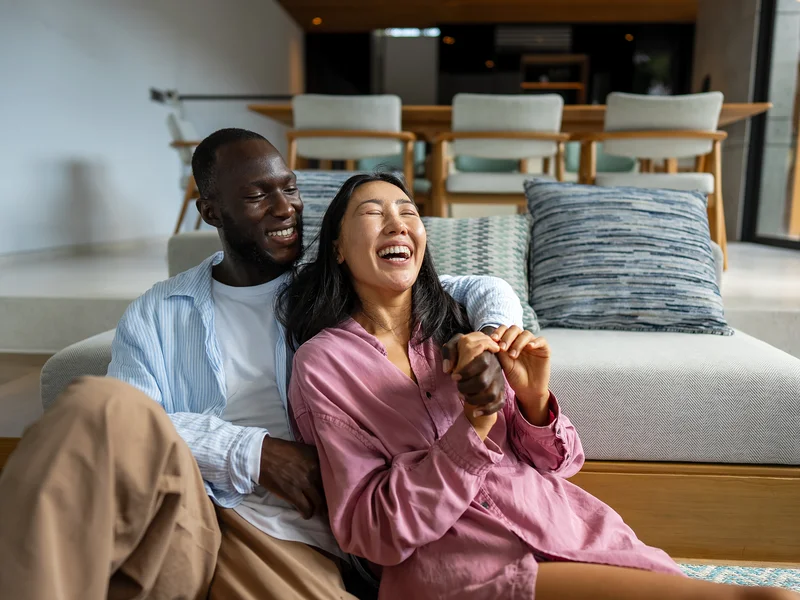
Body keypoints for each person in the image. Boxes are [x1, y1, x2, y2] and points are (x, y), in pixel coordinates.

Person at [0, 129, 526, 600]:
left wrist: (487, 343)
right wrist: (254, 453)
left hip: (296, 527)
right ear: (210, 210)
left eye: (289, 189)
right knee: (96, 403)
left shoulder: (334, 286)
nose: (285, 208)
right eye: (257, 195)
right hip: (189, 509)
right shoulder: (159, 310)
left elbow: (479, 287)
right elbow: (134, 428)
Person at [280, 172, 799, 600]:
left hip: (560, 524)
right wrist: (476, 423)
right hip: (460, 566)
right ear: (339, 250)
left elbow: (560, 463)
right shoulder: (324, 364)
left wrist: (532, 402)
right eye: (372, 213)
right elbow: (371, 530)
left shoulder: (461, 329)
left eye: (409, 212)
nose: (397, 222)